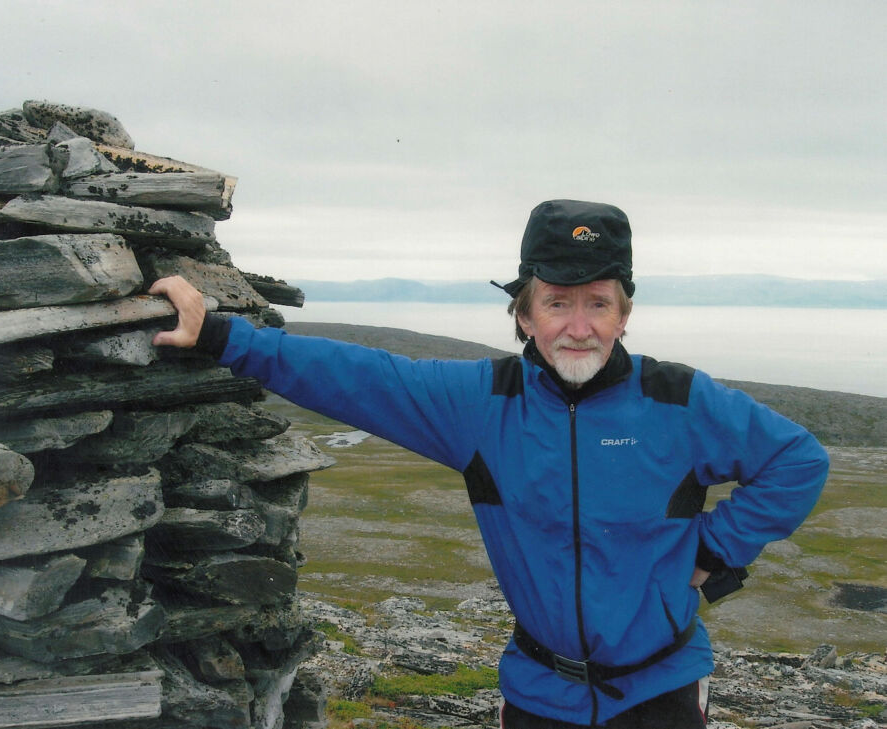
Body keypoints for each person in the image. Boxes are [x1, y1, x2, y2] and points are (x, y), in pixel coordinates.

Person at [150, 199, 829, 728]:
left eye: (598, 303)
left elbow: (798, 459)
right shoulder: (482, 404)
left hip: (664, 691)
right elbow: (359, 376)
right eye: (557, 303)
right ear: (525, 313)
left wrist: (716, 547)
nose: (578, 325)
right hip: (540, 694)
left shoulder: (680, 401)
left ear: (625, 312)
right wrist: (217, 333)